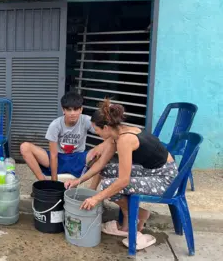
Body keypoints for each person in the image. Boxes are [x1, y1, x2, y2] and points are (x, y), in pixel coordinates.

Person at [65, 99, 177, 240]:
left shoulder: (125, 140)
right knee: (106, 170)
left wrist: (96, 198)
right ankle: (133, 214)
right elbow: (100, 165)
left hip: (167, 179)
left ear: (106, 127)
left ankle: (134, 214)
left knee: (109, 185)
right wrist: (78, 181)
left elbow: (124, 180)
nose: (96, 133)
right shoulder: (117, 133)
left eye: (97, 130)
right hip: (151, 170)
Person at [20, 91, 102, 181]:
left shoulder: (86, 120)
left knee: (104, 150)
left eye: (76, 109)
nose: (73, 113)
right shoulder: (55, 125)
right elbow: (53, 154)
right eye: (69, 110)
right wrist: (54, 181)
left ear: (81, 109)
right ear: (63, 110)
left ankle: (92, 191)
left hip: (78, 158)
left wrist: (100, 149)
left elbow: (105, 132)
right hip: (59, 158)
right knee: (25, 147)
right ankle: (43, 183)